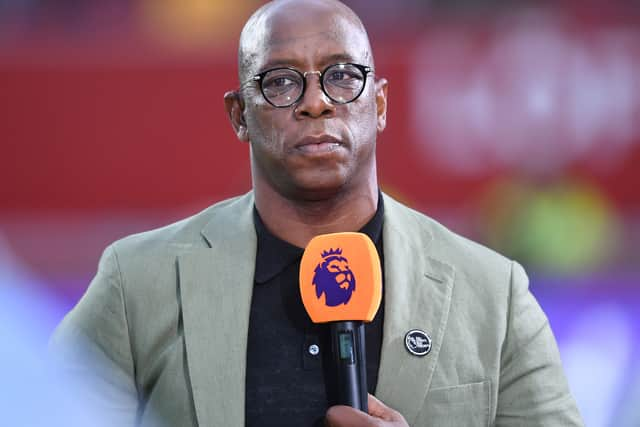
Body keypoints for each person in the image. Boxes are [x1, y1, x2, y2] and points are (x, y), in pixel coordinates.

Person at [50, 0, 584, 426]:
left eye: (342, 76)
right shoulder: (137, 283)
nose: (316, 102)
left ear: (379, 104)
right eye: (281, 81)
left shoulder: (493, 293)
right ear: (239, 115)